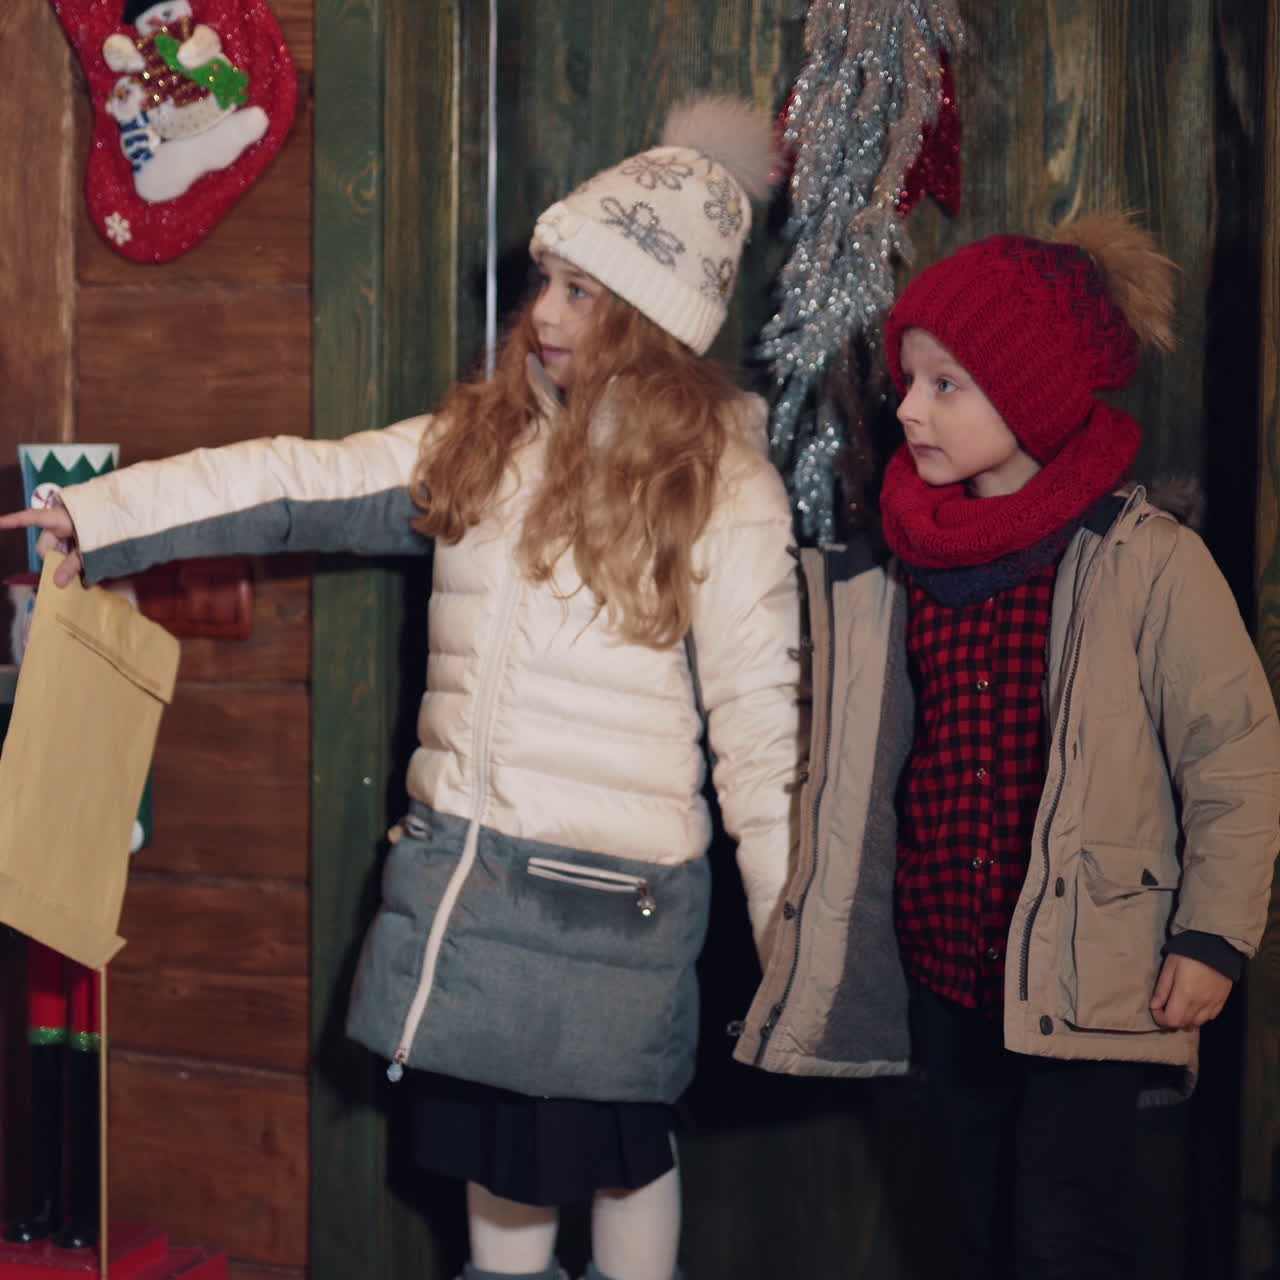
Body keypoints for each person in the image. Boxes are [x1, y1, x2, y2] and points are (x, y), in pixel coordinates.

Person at [2, 96, 804, 1280]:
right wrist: (100, 514)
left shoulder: (724, 484)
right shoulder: (487, 444)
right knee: (503, 1173)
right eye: (546, 283)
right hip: (476, 889)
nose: (541, 314)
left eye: (579, 293)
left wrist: (792, 932)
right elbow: (295, 479)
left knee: (623, 1148)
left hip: (611, 905)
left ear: (647, 315)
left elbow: (757, 724)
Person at [734, 212, 1280, 1278]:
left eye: (947, 385)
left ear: (1026, 395)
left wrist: (1212, 936)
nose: (908, 408)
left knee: (1065, 1239)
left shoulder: (1141, 560)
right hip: (948, 968)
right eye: (907, 381)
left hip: (1091, 984)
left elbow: (1232, 754)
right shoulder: (892, 563)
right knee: (975, 1229)